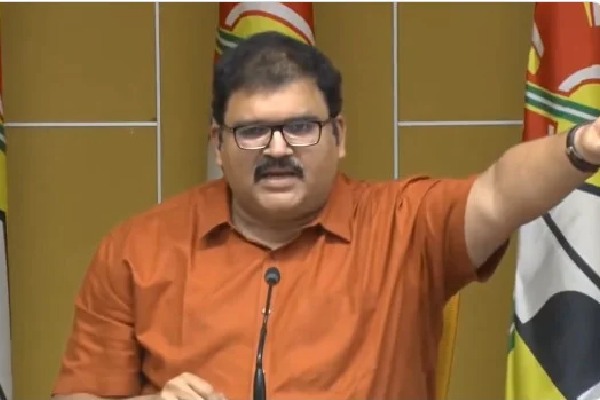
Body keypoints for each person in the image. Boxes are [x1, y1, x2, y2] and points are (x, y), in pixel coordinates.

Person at [51, 31, 600, 400]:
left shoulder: (405, 224)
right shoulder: (140, 248)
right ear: (218, 144)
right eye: (252, 131)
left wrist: (583, 145)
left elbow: (500, 192)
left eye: (300, 127)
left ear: (338, 136)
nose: (277, 149)